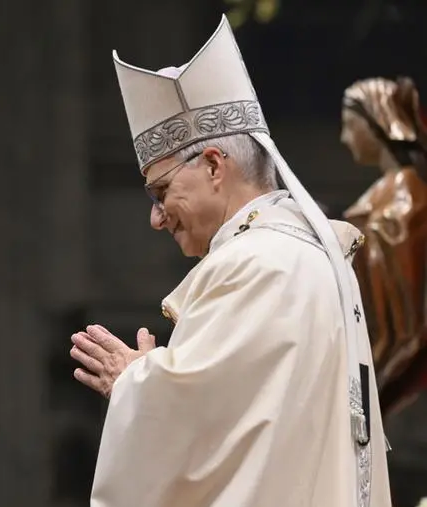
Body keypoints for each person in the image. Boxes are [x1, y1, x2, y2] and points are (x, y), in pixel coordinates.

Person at [70, 15, 391, 507]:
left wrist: (135, 384)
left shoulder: (253, 263)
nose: (157, 219)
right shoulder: (313, 258)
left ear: (215, 166)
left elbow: (199, 434)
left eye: (162, 192)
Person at [341, 76, 427, 507]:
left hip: (392, 361)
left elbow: (402, 303)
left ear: (377, 122)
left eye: (348, 124)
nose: (343, 137)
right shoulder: (384, 195)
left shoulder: (406, 199)